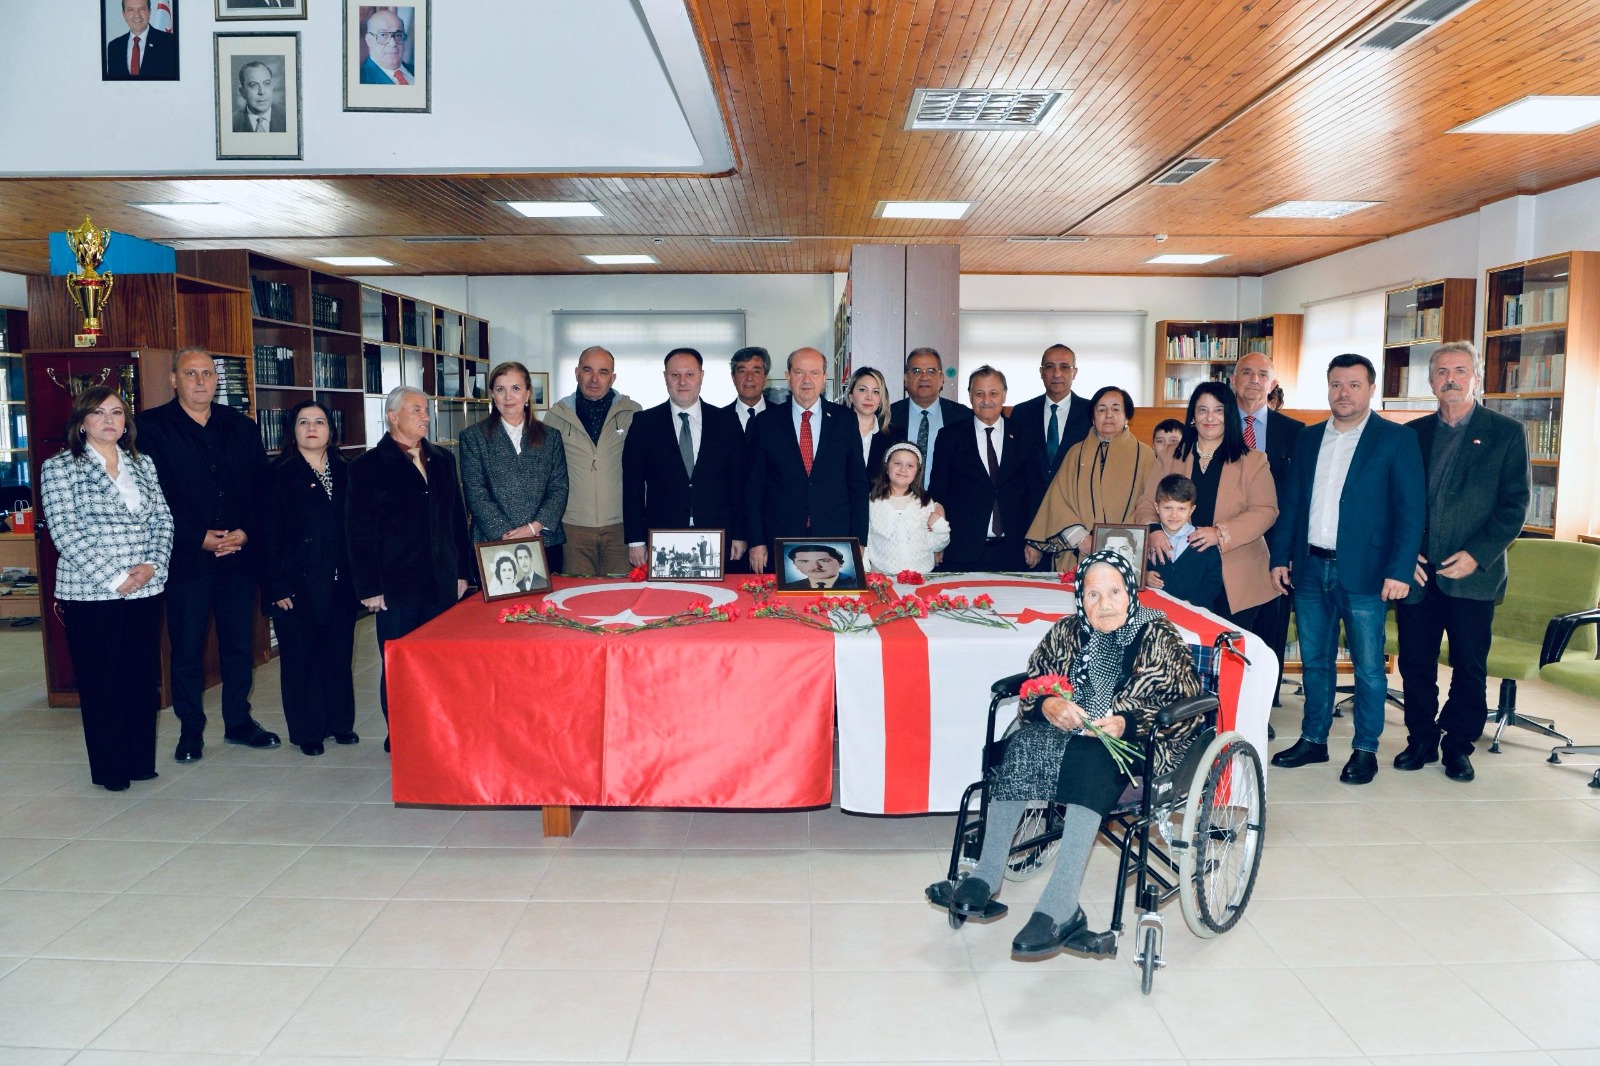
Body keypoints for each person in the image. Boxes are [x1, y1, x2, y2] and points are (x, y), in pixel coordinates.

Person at [933, 550, 1202, 956]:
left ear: (1130, 592)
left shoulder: (1159, 636)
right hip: (1068, 737)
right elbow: (1036, 681)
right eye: (1093, 594)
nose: (1104, 604)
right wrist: (1047, 705)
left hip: (1137, 745)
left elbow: (1186, 705)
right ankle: (986, 874)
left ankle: (1061, 905)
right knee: (1023, 745)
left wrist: (1127, 723)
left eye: (1114, 592)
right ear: (1080, 598)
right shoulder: (1066, 632)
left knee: (1094, 760)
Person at [1269, 354, 1425, 785]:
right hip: (1309, 568)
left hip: (1368, 573)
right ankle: (1313, 739)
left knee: (1369, 667)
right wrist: (1280, 556)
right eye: (1336, 384)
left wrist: (1400, 570)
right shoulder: (1308, 438)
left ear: (1371, 389)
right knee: (1315, 662)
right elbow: (1292, 503)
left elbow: (1411, 511)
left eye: (1354, 384)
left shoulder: (1397, 439)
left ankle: (1365, 749)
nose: (1344, 393)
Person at [1394, 341, 1530, 783]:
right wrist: (1402, 554)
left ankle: (1458, 745)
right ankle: (1420, 739)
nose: (1450, 379)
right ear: (1431, 381)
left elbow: (1514, 506)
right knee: (1416, 663)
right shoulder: (1410, 434)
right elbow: (1394, 502)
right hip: (1418, 572)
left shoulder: (1506, 433)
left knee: (1469, 667)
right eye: (1441, 372)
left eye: (1459, 370)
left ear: (1477, 378)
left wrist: (1477, 555)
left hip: (1473, 574)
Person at [139, 346, 275, 764]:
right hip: (187, 559)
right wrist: (197, 537)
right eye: (191, 373)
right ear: (173, 379)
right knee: (186, 650)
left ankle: (238, 722)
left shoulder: (242, 426)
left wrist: (245, 532)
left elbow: (263, 489)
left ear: (217, 380)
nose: (201, 381)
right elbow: (153, 496)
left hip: (238, 557)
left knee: (239, 646)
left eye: (208, 374)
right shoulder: (150, 427)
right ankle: (190, 732)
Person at [39, 387, 173, 791]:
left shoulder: (143, 463)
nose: (109, 420)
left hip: (145, 587)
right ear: (82, 423)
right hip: (91, 591)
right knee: (101, 681)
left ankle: (140, 762)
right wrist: (116, 578)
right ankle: (111, 769)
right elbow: (66, 532)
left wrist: (152, 565)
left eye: (116, 412)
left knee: (140, 678)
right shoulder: (60, 468)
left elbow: (163, 520)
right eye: (98, 413)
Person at [347, 385, 474, 753]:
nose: (425, 416)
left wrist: (462, 572)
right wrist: (369, 587)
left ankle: (440, 729)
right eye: (416, 409)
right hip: (396, 586)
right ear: (392, 416)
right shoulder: (367, 467)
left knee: (441, 661)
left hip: (441, 580)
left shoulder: (443, 460)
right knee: (399, 662)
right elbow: (358, 531)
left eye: (426, 409)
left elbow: (456, 520)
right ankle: (401, 732)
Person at [258, 401, 359, 758]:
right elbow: (267, 534)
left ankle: (340, 723)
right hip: (295, 584)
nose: (312, 428)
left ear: (331, 430)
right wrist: (276, 584)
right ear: (292, 431)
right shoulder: (277, 474)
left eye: (319, 422)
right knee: (301, 660)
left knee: (338, 656)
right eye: (303, 422)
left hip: (340, 582)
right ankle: (308, 730)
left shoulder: (347, 470)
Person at [1135, 382, 1279, 632]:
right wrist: (1154, 530)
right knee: (1178, 645)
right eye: (1202, 410)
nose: (1210, 417)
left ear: (1229, 415)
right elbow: (1147, 503)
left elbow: (1266, 510)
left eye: (1218, 410)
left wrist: (1220, 533)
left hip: (1235, 576)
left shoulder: (1253, 460)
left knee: (1226, 650)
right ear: (1193, 416)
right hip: (1178, 573)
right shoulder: (1171, 455)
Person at [743, 348, 868, 574]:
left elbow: (857, 483)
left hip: (835, 535)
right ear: (788, 376)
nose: (807, 380)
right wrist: (756, 541)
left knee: (830, 594)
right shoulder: (765, 422)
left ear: (824, 377)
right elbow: (753, 488)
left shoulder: (845, 420)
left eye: (814, 373)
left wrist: (859, 539)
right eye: (799, 372)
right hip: (780, 535)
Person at [623, 348, 746, 570]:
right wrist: (636, 540)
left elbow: (738, 484)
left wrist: (740, 534)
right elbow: (632, 487)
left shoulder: (726, 422)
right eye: (675, 375)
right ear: (665, 378)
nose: (682, 382)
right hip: (662, 537)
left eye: (689, 374)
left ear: (701, 376)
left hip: (717, 535)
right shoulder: (644, 423)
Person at [1232, 351, 1306, 708]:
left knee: (1270, 629)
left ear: (1273, 383)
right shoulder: (1215, 423)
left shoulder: (1295, 433)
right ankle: (1225, 702)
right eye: (1246, 372)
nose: (1254, 380)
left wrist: (1290, 551)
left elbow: (1299, 496)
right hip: (1226, 544)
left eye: (1262, 374)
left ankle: (1263, 706)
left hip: (1275, 547)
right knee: (1228, 628)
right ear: (1234, 380)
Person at [1027, 386, 1157, 574]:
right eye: (1101, 409)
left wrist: (1112, 539)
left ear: (1127, 416)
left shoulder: (1144, 455)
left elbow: (1149, 504)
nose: (1108, 415)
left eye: (1116, 409)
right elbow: (1058, 501)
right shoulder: (1076, 453)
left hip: (1125, 554)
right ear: (1093, 418)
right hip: (1077, 552)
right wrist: (1080, 538)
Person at [928, 366, 1041, 572]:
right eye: (979, 393)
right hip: (962, 550)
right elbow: (938, 492)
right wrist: (936, 541)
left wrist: (1035, 541)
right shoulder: (950, 437)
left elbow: (1035, 493)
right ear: (970, 396)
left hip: (1015, 550)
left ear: (1004, 395)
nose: (986, 400)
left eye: (993, 393)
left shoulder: (1025, 436)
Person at [459, 360, 568, 572]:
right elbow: (475, 492)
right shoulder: (473, 437)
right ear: (493, 394)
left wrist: (533, 528)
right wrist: (506, 534)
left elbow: (559, 488)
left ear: (528, 394)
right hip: (493, 543)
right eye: (501, 389)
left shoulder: (551, 437)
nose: (508, 397)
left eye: (516, 388)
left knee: (547, 596)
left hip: (544, 541)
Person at [544, 347, 641, 575]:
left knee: (620, 593)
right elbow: (546, 475)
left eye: (603, 372)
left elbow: (644, 473)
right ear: (577, 373)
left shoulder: (633, 414)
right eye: (588, 370)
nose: (594, 379)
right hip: (573, 528)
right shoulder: (556, 416)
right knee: (576, 593)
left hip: (620, 528)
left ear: (613, 378)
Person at [1010, 344, 1094, 509]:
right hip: (1030, 509)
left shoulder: (1091, 413)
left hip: (1076, 508)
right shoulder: (1022, 413)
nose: (1056, 374)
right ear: (1041, 372)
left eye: (1064, 367)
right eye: (1050, 367)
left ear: (1074, 373)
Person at [888, 347, 972, 489]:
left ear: (942, 378)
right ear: (906, 379)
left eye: (931, 371)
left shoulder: (963, 416)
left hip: (948, 499)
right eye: (916, 371)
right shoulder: (888, 415)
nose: (924, 377)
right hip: (898, 498)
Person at [865, 442, 950, 576]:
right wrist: (864, 570)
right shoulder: (871, 502)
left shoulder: (926, 503)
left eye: (910, 465)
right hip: (882, 576)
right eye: (897, 463)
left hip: (921, 575)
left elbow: (937, 545)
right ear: (886, 468)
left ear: (917, 472)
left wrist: (939, 526)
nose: (903, 469)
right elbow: (865, 540)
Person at [1144, 474, 1223, 610]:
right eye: (1168, 508)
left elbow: (1213, 583)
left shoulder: (1204, 543)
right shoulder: (1148, 539)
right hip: (1154, 611)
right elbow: (1134, 570)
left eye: (1181, 509)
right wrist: (1144, 577)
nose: (1174, 515)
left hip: (1195, 613)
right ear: (1157, 507)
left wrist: (1191, 604)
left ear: (1191, 510)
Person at [845, 366, 901, 477]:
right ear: (850, 395)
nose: (869, 397)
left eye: (876, 392)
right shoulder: (836, 432)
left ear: (881, 399)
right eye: (862, 390)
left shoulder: (895, 436)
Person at [105, 0, 178, 81]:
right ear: (124, 15)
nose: (137, 15)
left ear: (149, 12)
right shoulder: (114, 47)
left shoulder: (169, 43)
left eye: (142, 9)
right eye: (131, 10)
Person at [359, 9, 414, 84]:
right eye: (383, 35)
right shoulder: (359, 80)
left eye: (398, 35)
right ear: (369, 40)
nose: (393, 43)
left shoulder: (420, 71)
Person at [726, 346, 771, 435]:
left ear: (765, 378)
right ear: (733, 377)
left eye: (756, 372)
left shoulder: (783, 417)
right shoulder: (718, 419)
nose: (749, 378)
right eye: (742, 371)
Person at [231, 60, 286, 133]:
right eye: (253, 85)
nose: (261, 92)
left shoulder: (287, 117)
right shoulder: (232, 123)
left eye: (267, 83)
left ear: (272, 87)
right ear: (242, 92)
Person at [782, 543, 850, 589]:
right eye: (805, 561)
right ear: (795, 564)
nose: (815, 567)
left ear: (840, 563)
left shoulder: (854, 584)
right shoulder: (789, 587)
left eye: (824, 560)